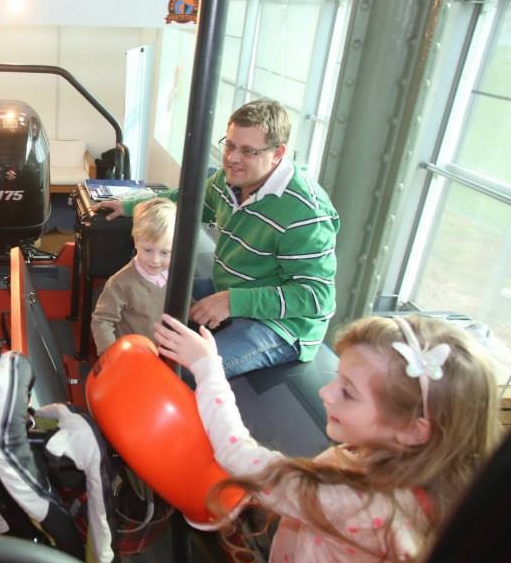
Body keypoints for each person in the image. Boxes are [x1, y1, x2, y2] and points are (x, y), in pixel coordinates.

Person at [154, 313, 500, 563]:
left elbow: (236, 453)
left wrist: (207, 368)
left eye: (348, 392)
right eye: (337, 378)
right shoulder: (424, 477)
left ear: (413, 431)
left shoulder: (352, 501)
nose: (326, 393)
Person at [97, 100, 339, 378]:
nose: (233, 158)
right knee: (141, 298)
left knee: (185, 370)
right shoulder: (230, 178)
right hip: (230, 287)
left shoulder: (306, 212)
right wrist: (133, 206)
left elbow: (317, 296)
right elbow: (191, 203)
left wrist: (232, 302)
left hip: (280, 325)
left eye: (248, 151)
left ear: (278, 153)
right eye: (230, 145)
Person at [92, 198, 177, 354]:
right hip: (131, 355)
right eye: (148, 250)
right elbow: (102, 320)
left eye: (164, 252)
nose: (155, 260)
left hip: (161, 352)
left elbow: (185, 303)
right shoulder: (120, 282)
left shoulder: (174, 275)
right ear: (136, 241)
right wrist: (111, 355)